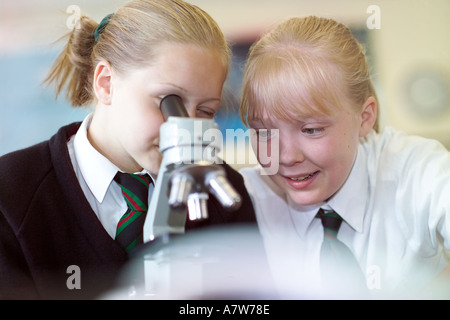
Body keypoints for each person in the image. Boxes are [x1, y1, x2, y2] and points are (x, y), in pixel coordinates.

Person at [0, 0, 256, 299]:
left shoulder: (222, 190)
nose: (184, 128)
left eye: (205, 111)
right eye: (169, 103)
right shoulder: (11, 195)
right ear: (106, 83)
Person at [239, 16, 450, 299]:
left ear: (364, 117)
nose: (286, 157)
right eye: (264, 133)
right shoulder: (243, 198)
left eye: (311, 130)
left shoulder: (415, 169)